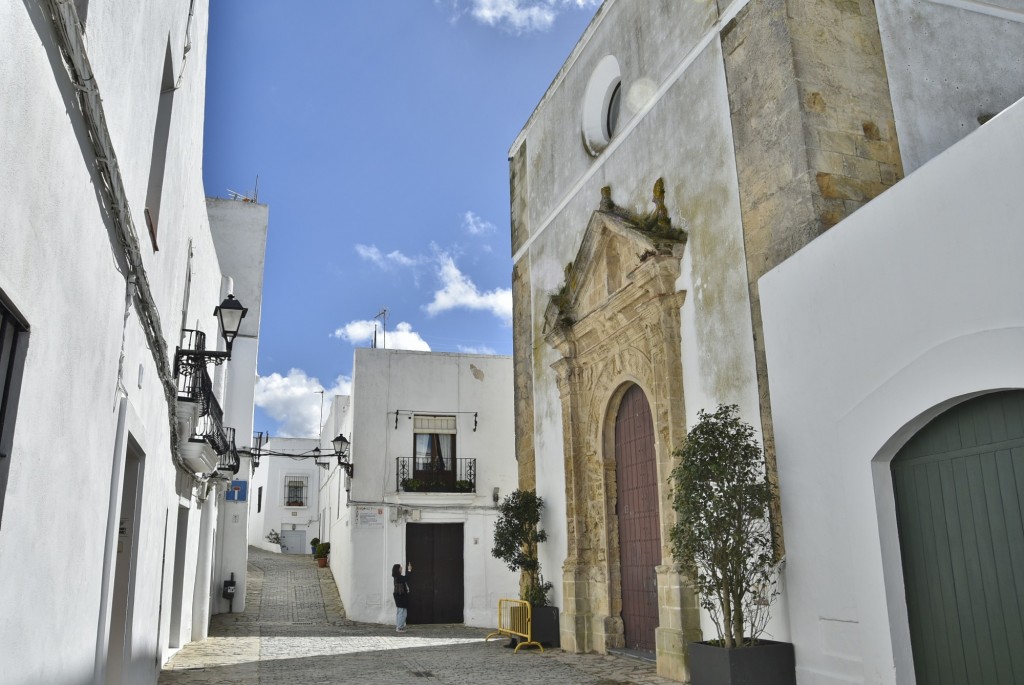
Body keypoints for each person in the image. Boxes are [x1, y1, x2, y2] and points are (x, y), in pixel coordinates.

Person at [392, 562, 411, 632]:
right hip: (401, 597)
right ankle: (399, 627)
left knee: (400, 612)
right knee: (402, 612)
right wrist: (409, 570)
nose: (401, 568)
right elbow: (407, 578)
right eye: (400, 568)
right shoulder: (399, 578)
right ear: (397, 569)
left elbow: (405, 578)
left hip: (399, 597)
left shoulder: (396, 577)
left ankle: (399, 626)